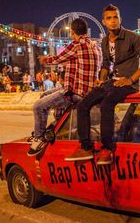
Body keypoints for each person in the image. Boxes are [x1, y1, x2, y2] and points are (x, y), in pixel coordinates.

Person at [65, 4, 140, 165]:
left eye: (116, 17)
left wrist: (131, 79)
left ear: (120, 19)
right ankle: (86, 147)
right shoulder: (105, 41)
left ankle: (107, 148)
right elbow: (106, 64)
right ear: (104, 21)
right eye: (109, 18)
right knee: (83, 105)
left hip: (128, 84)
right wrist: (101, 78)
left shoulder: (133, 37)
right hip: (111, 82)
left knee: (107, 104)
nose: (113, 21)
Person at [27, 18, 101, 156]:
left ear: (73, 32)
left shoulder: (77, 45)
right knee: (44, 95)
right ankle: (52, 128)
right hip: (85, 90)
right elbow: (77, 62)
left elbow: (57, 59)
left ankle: (39, 138)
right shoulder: (95, 46)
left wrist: (45, 60)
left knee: (38, 106)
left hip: (75, 93)